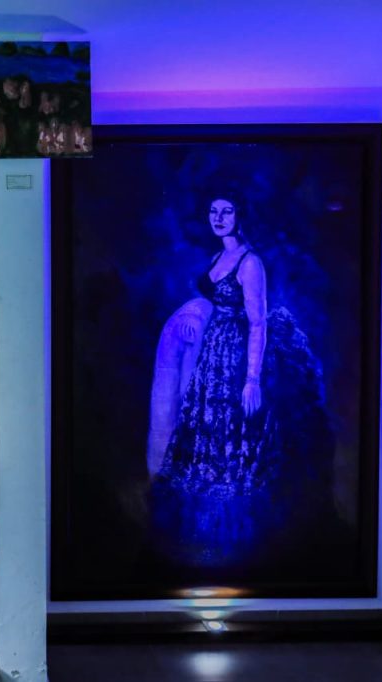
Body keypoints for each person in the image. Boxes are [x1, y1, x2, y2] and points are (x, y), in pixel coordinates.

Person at [148, 192, 336, 571]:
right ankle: (199, 541)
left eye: (226, 211)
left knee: (232, 441)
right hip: (212, 356)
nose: (218, 217)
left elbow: (258, 323)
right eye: (213, 211)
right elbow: (210, 304)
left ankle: (233, 541)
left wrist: (251, 379)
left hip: (236, 357)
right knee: (203, 437)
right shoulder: (216, 257)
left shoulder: (251, 263)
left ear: (240, 215)